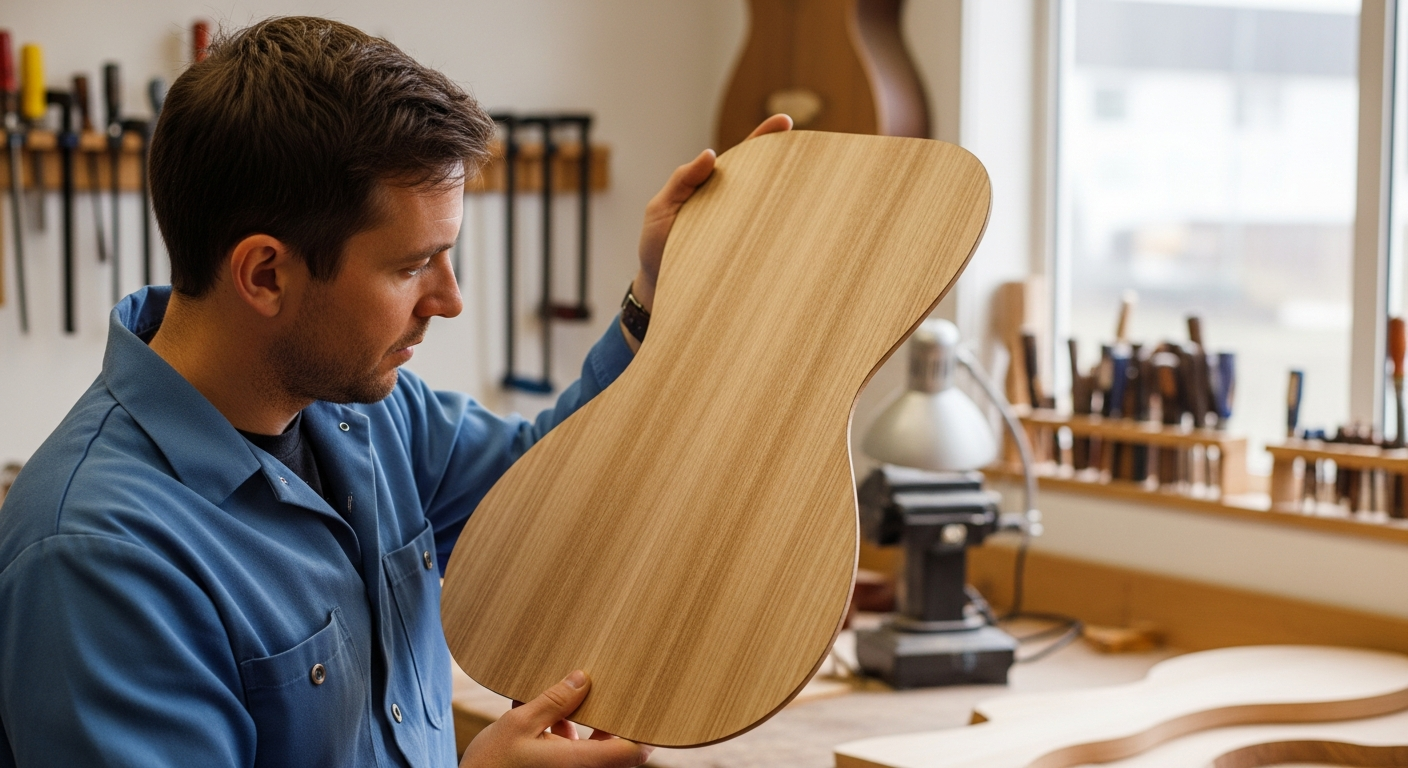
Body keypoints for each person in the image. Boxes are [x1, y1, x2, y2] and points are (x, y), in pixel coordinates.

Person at [0, 17, 790, 768]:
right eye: (412, 266)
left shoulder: (364, 414)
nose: (448, 300)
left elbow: (559, 491)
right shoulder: (99, 557)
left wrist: (657, 287)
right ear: (266, 274)